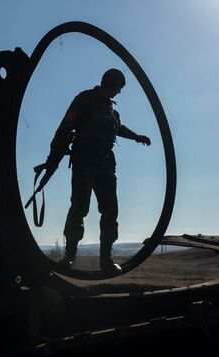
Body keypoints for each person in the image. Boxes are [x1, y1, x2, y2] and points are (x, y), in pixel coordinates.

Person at [46, 69, 151, 272]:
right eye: (119, 88)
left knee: (110, 210)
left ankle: (106, 260)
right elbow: (65, 127)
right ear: (112, 84)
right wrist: (53, 158)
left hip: (105, 165)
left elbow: (118, 128)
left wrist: (136, 136)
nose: (119, 92)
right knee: (79, 207)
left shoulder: (111, 109)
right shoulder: (84, 99)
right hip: (84, 161)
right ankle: (69, 256)